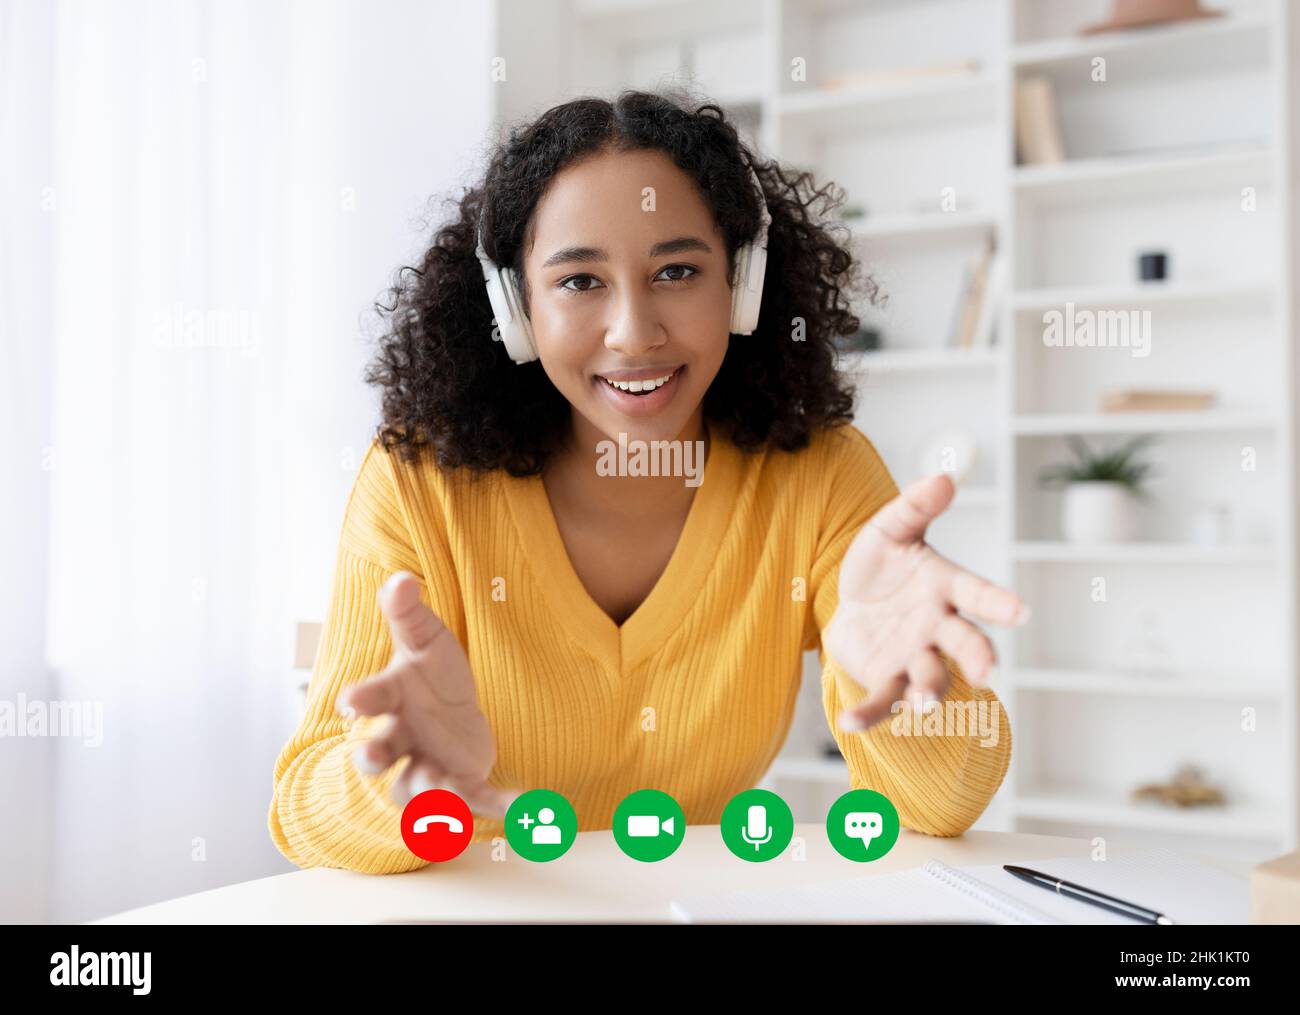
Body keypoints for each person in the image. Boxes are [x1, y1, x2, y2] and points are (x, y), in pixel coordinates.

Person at [268, 89, 1026, 875]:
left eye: (676, 270)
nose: (634, 331)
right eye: (579, 281)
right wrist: (403, 784)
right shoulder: (422, 482)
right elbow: (305, 815)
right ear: (515, 309)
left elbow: (942, 810)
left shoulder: (820, 475)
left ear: (740, 286)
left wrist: (901, 690)